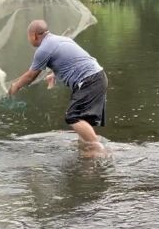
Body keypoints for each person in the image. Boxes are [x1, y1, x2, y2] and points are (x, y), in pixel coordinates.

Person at [8, 20, 108, 153]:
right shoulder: (60, 39)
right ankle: (87, 151)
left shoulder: (43, 49)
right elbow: (70, 59)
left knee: (73, 117)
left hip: (88, 80)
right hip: (98, 76)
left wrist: (15, 86)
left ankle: (98, 150)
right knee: (83, 119)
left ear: (34, 36)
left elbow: (31, 76)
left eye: (28, 36)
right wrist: (53, 74)